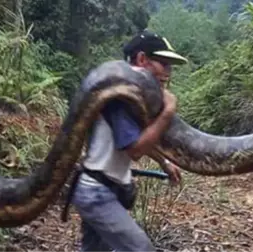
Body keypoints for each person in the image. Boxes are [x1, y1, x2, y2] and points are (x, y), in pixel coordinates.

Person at [70, 30, 188, 252]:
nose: (168, 74)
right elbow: (134, 149)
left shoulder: (132, 97)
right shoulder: (119, 96)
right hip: (97, 192)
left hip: (100, 189)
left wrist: (164, 162)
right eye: (164, 64)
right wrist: (167, 113)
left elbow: (137, 138)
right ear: (142, 59)